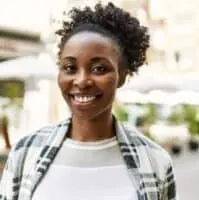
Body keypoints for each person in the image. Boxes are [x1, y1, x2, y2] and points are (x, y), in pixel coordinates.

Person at [0, 2, 177, 200]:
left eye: (99, 68)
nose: (82, 81)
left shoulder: (155, 161)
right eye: (70, 68)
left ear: (122, 76)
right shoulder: (25, 152)